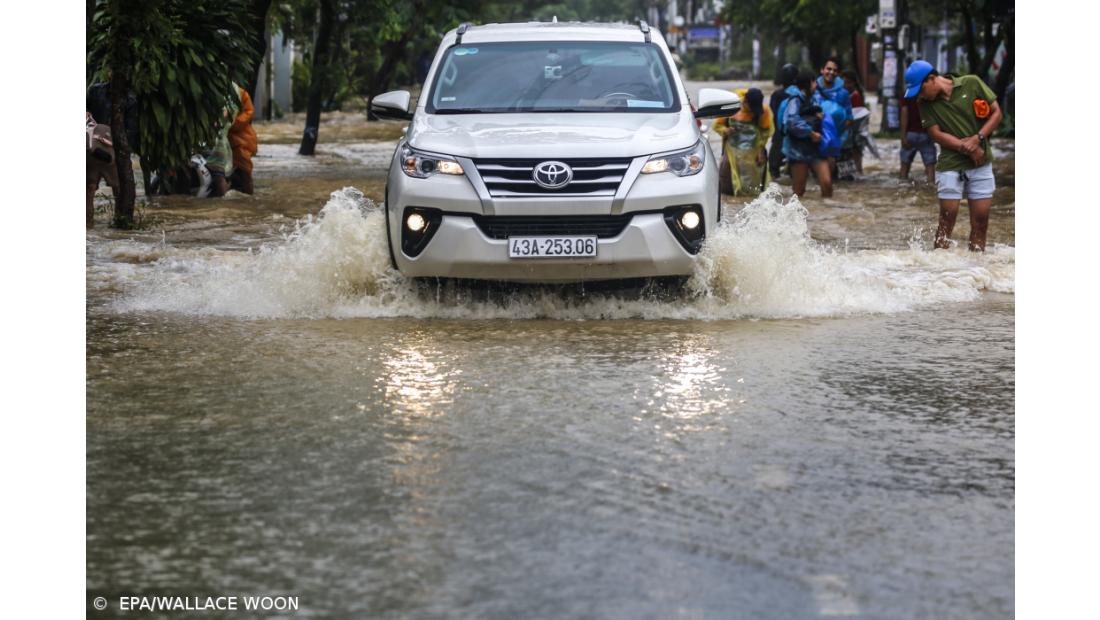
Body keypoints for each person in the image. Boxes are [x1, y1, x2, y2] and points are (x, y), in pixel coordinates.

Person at [905, 59, 1003, 251]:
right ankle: (941, 270)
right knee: (947, 219)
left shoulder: (972, 83)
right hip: (951, 163)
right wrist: (969, 147)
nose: (920, 96)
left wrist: (978, 138)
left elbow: (996, 113)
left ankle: (975, 271)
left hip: (981, 163)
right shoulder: (924, 103)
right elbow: (935, 134)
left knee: (981, 221)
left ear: (932, 79)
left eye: (921, 90)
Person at [714, 88, 773, 197]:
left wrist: (761, 151)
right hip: (731, 151)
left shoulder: (762, 111)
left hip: (753, 153)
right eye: (751, 107)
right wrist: (725, 130)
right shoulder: (730, 107)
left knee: (753, 186)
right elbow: (717, 125)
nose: (753, 111)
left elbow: (765, 132)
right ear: (745, 102)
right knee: (727, 185)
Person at [782, 71, 832, 198]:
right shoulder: (795, 100)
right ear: (808, 84)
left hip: (816, 148)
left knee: (827, 183)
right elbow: (791, 122)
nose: (816, 84)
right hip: (799, 150)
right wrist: (810, 133)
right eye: (814, 81)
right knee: (799, 191)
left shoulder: (815, 98)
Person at [815, 58, 853, 173]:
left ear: (838, 74)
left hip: (840, 142)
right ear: (822, 70)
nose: (831, 72)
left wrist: (836, 137)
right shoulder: (813, 91)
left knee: (843, 184)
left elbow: (850, 119)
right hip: (817, 140)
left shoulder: (843, 94)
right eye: (828, 69)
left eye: (834, 70)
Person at [768, 63, 799, 179]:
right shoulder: (800, 94)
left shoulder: (777, 95)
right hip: (795, 134)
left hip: (779, 133)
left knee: (773, 168)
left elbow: (773, 112)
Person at [228, 84, 258, 194]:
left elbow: (248, 112)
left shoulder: (240, 93)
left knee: (245, 172)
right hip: (225, 141)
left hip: (240, 139)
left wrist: (231, 123)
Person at [899, 95, 936, 184]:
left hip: (910, 134)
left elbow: (904, 114)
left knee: (904, 164)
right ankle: (930, 190)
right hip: (926, 133)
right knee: (930, 166)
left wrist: (903, 136)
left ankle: (902, 188)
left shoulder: (907, 95)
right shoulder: (928, 93)